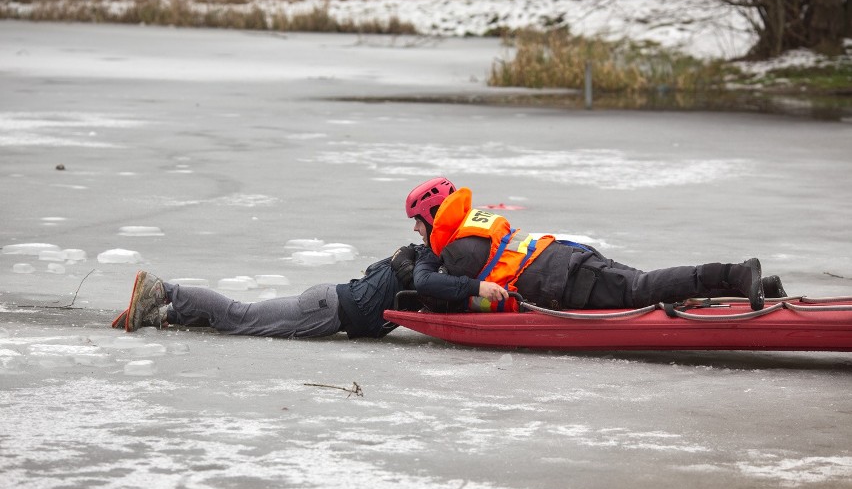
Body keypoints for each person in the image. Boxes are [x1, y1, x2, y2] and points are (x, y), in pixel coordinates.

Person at [406, 178, 788, 313]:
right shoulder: (476, 223)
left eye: (418, 225)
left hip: (568, 281)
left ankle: (735, 273)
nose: (418, 233)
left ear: (432, 216)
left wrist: (421, 264)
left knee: (645, 289)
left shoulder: (457, 250)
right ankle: (755, 288)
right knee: (647, 286)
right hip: (569, 258)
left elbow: (432, 289)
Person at [115, 242, 486, 338]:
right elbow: (427, 285)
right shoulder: (426, 264)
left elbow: (378, 270)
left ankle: (163, 314)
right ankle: (163, 291)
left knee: (239, 319)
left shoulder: (415, 257)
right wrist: (476, 289)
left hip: (327, 301)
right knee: (238, 317)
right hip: (325, 310)